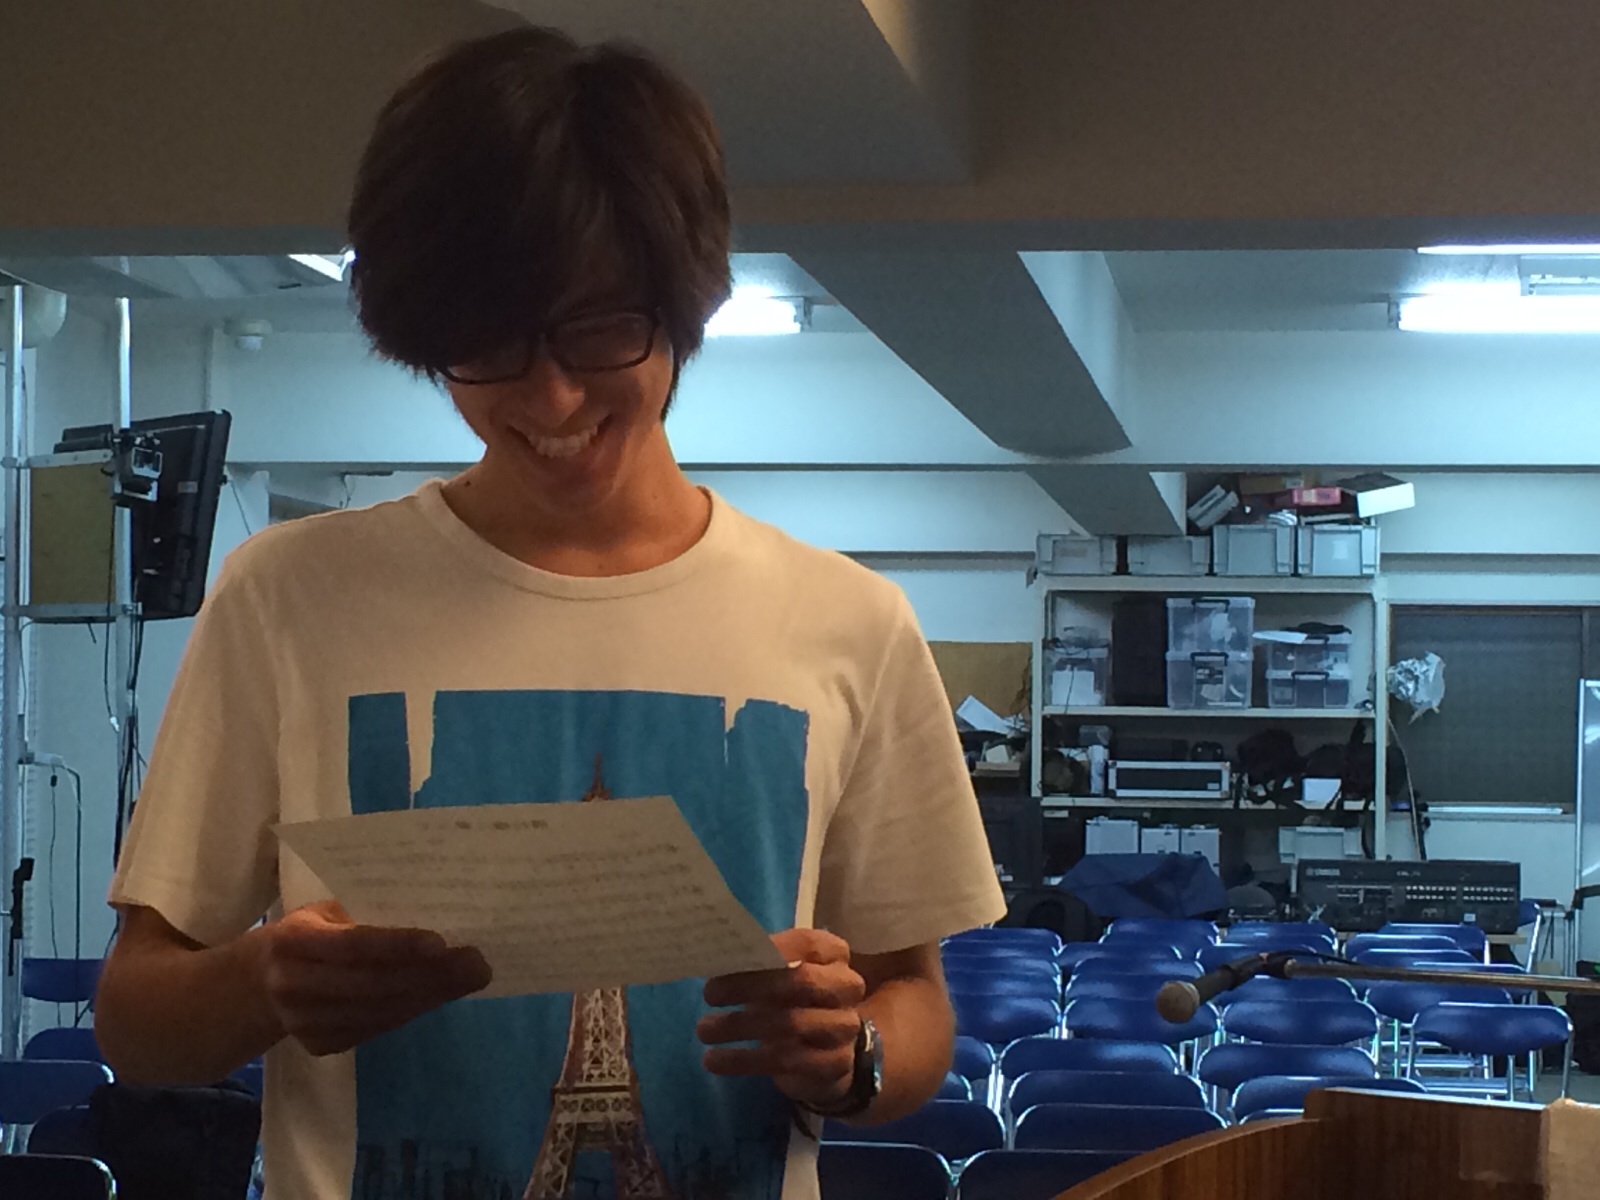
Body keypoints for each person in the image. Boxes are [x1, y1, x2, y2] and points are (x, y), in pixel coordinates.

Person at [94, 25, 1004, 1200]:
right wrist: (261, 982)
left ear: (684, 305)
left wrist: (849, 1055)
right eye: (488, 346)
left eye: (600, 327)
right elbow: (136, 1019)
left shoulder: (851, 622)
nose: (552, 396)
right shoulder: (286, 594)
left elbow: (911, 995)